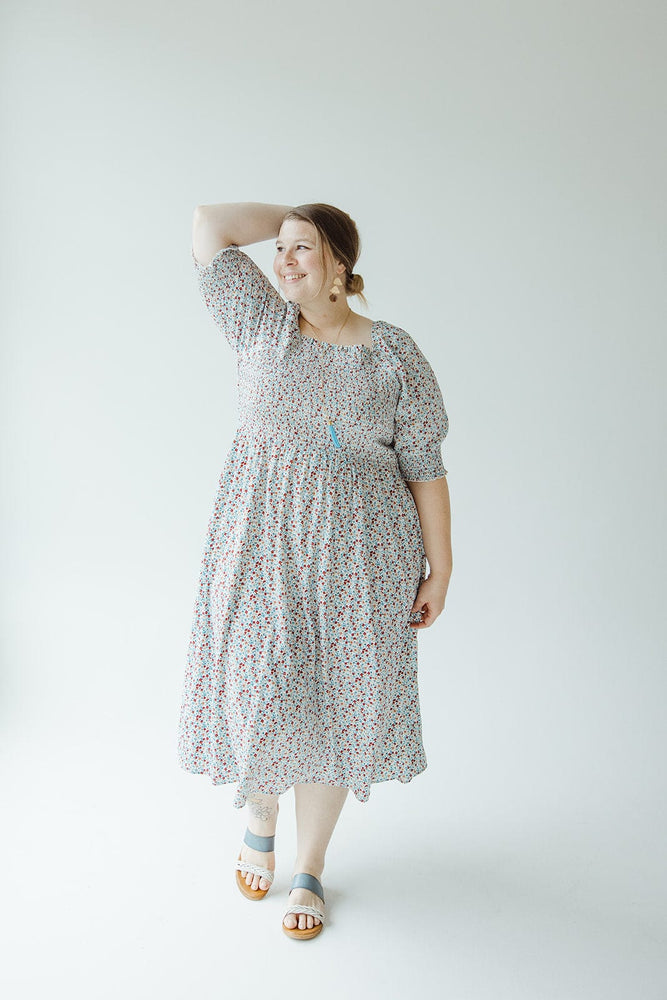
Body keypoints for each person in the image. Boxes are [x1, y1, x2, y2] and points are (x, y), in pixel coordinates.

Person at [177, 201, 453, 940]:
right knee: (258, 684)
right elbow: (208, 225)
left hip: (363, 561)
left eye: (305, 249)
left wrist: (441, 567)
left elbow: (423, 465)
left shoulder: (391, 353)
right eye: (282, 249)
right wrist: (292, 214)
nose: (285, 259)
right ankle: (259, 817)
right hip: (260, 549)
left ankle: (309, 868)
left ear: (341, 264)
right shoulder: (261, 325)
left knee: (336, 706)